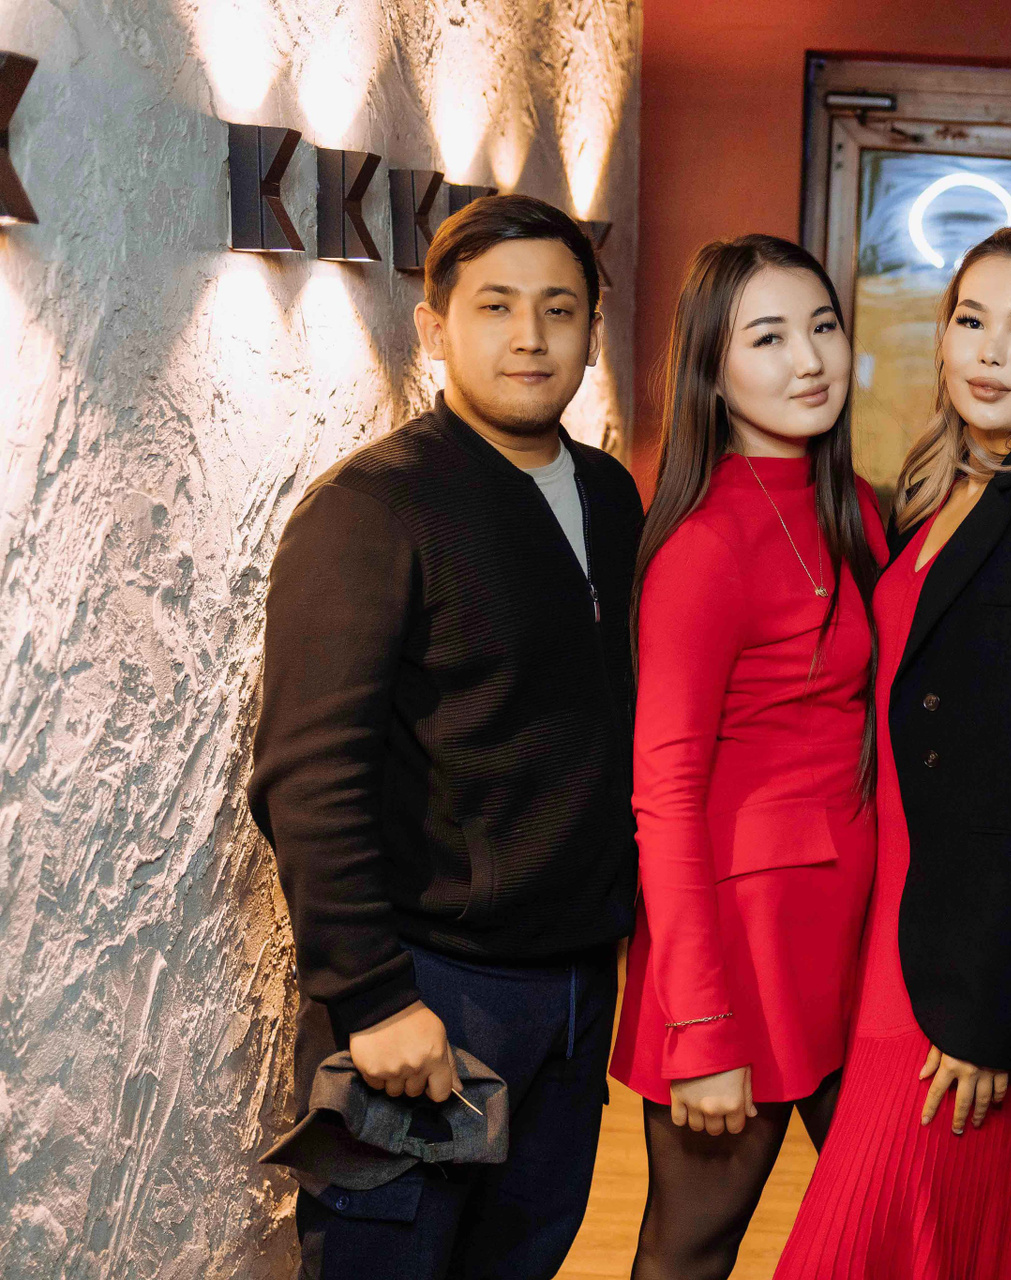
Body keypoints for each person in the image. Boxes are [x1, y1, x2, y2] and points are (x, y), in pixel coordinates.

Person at [248, 194, 643, 1279]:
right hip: (431, 988)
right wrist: (372, 996)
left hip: (574, 987)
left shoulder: (610, 495)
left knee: (523, 1261)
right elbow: (307, 777)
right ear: (434, 329)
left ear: (591, 332)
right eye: (496, 306)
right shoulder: (373, 507)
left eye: (559, 309)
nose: (531, 336)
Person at [775, 224, 1011, 1280]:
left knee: (863, 1243)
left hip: (967, 973)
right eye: (971, 319)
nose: (990, 351)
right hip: (901, 927)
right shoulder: (941, 490)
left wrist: (996, 1011)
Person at [606, 234, 886, 1280]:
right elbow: (666, 795)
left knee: (897, 1228)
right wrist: (702, 1027)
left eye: (823, 326)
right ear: (713, 374)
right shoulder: (706, 543)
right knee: (690, 1251)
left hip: (854, 934)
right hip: (743, 947)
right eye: (767, 337)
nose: (809, 360)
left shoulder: (855, 505)